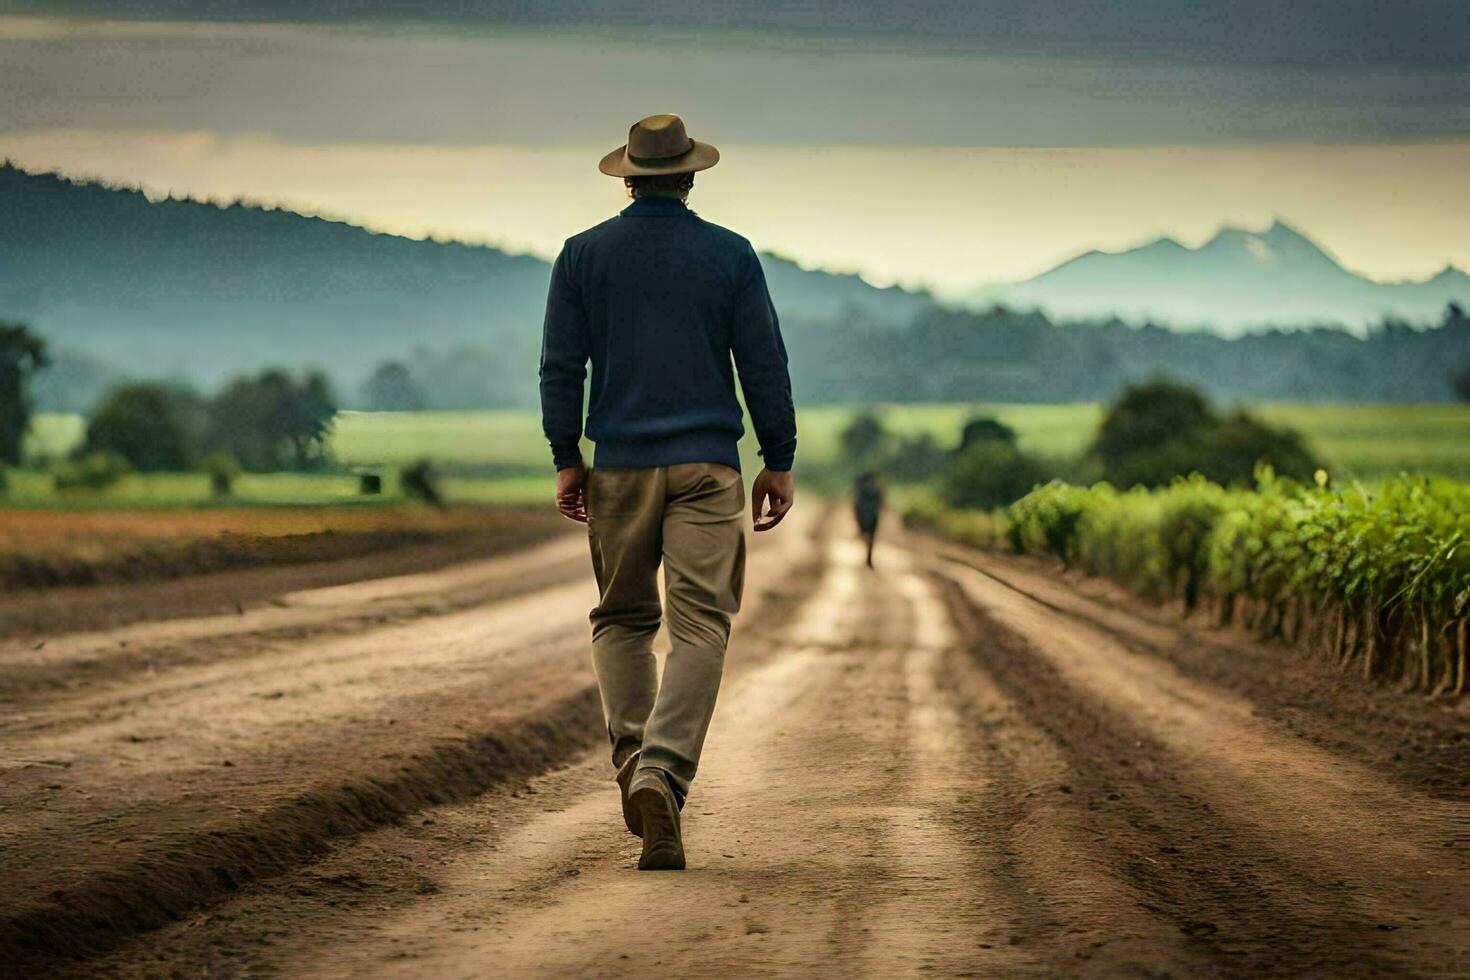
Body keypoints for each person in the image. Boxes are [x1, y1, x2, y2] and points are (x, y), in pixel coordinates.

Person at [539, 113, 798, 871]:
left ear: (628, 176)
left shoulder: (582, 256)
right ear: (690, 176)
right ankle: (663, 773)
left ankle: (633, 769)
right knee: (701, 628)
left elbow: (562, 366)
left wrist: (566, 455)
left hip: (618, 465)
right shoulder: (729, 255)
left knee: (621, 620)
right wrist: (776, 458)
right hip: (707, 468)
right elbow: (764, 364)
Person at [853, 471, 884, 568]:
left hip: (867, 517)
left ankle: (868, 558)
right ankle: (868, 558)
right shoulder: (876, 490)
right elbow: (881, 504)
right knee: (870, 539)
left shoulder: (862, 490)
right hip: (872, 517)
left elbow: (856, 506)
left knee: (868, 538)